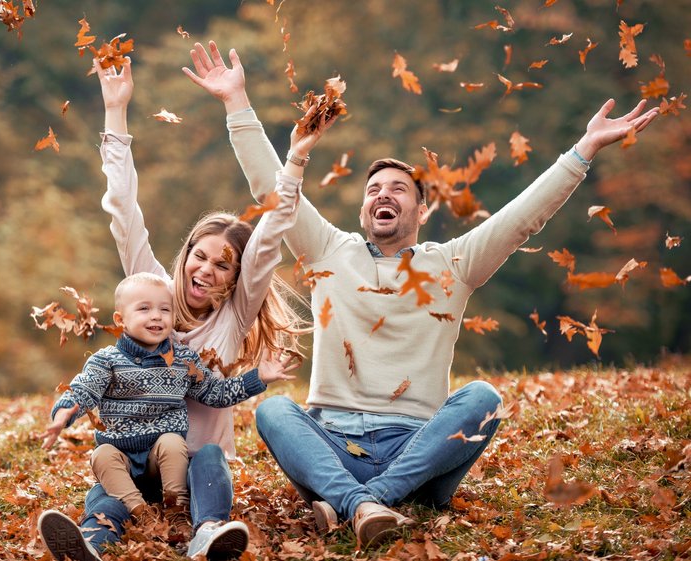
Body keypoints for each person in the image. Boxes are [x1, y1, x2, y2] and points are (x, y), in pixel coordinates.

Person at [184, 40, 660, 548]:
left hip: (418, 444)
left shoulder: (454, 263)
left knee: (483, 398)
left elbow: (522, 218)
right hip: (333, 442)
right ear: (364, 209)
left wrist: (581, 151)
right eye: (373, 190)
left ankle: (357, 501)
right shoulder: (327, 250)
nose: (382, 194)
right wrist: (237, 103)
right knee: (273, 412)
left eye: (397, 189)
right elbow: (271, 191)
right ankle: (369, 500)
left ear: (422, 211)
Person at [37, 54, 336, 561]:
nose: (205, 270)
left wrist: (297, 160)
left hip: (191, 465)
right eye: (199, 256)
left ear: (237, 278)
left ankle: (209, 533)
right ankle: (90, 541)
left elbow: (271, 233)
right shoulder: (151, 289)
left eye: (223, 265)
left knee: (212, 457)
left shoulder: (235, 315)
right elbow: (123, 208)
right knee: (107, 492)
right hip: (134, 458)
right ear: (184, 256)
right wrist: (116, 113)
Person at [38, 272, 296, 555]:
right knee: (103, 478)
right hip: (122, 473)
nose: (157, 316)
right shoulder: (106, 361)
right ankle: (92, 544)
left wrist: (259, 377)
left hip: (166, 467)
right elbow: (83, 390)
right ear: (121, 320)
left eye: (165, 309)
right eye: (144, 308)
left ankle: (178, 512)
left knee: (172, 441)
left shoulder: (183, 360)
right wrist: (63, 414)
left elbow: (216, 393)